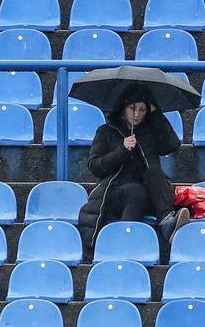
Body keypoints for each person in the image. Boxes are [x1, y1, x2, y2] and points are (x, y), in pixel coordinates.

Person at [77, 90, 188, 252]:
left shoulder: (151, 132)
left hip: (151, 193)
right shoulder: (105, 131)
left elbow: (172, 145)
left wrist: (157, 114)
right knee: (136, 191)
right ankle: (123, 242)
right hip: (114, 194)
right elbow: (95, 166)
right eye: (132, 108)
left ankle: (166, 220)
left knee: (154, 172)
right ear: (123, 109)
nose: (136, 114)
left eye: (142, 110)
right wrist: (121, 150)